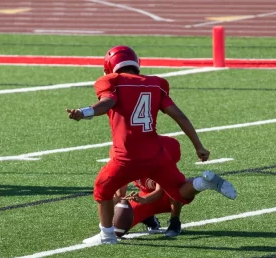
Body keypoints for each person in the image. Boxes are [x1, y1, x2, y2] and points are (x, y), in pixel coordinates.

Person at [66, 45, 237, 245]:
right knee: (178, 189)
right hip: (156, 154)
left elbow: (108, 102)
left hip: (127, 156)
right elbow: (179, 115)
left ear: (110, 66)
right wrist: (198, 145)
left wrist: (84, 112)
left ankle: (107, 235)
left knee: (102, 188)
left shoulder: (112, 81)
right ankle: (202, 182)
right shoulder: (155, 83)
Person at [116, 135, 186, 238]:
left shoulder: (162, 151)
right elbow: (119, 193)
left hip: (168, 195)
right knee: (118, 228)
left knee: (176, 185)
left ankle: (174, 221)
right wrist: (120, 204)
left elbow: (160, 191)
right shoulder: (124, 156)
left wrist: (143, 200)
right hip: (146, 195)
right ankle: (148, 218)